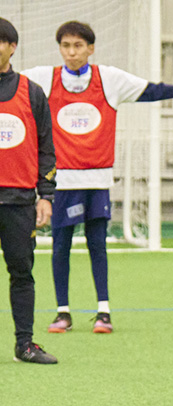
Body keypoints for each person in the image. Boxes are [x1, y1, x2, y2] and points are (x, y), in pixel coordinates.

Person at [22, 20, 173, 335]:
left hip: (98, 180)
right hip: (62, 182)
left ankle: (103, 311)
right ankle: (62, 311)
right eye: (66, 46)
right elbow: (10, 85)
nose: (72, 52)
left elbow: (153, 90)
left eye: (78, 46)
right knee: (60, 246)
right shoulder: (43, 79)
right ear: (60, 49)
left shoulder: (108, 79)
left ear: (91, 49)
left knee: (98, 244)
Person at [0, 17, 58, 364]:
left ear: (11, 47)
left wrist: (46, 195)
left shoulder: (31, 92)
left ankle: (25, 344)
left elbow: (46, 148)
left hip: (20, 201)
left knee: (21, 272)